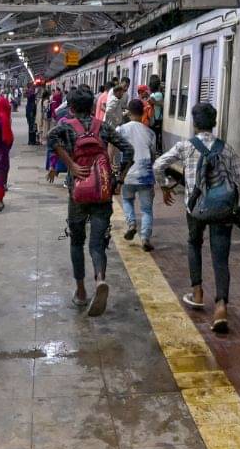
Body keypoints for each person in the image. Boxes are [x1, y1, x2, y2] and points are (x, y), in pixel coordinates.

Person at [154, 102, 240, 334]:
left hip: (195, 208)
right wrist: (230, 196)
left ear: (195, 124)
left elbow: (158, 165)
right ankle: (221, 307)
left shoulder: (185, 146)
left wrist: (165, 186)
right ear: (214, 123)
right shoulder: (226, 149)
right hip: (222, 209)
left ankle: (197, 293)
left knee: (194, 244)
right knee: (220, 257)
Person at [47, 86, 134, 317]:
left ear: (72, 108)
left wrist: (71, 165)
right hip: (102, 192)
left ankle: (81, 291)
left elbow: (50, 139)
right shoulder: (103, 127)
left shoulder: (66, 127)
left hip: (77, 192)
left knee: (77, 242)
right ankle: (100, 279)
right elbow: (129, 150)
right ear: (93, 107)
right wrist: (119, 179)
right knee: (97, 243)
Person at [117, 99, 158, 251]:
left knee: (127, 200)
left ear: (128, 112)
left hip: (127, 174)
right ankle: (145, 238)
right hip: (145, 175)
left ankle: (132, 224)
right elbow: (153, 156)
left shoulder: (121, 129)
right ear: (143, 113)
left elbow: (115, 149)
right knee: (146, 209)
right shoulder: (150, 132)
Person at [149, 76, 165, 151]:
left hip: (152, 118)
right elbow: (162, 104)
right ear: (158, 85)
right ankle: (157, 150)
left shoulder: (151, 95)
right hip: (158, 119)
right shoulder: (159, 94)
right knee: (157, 136)